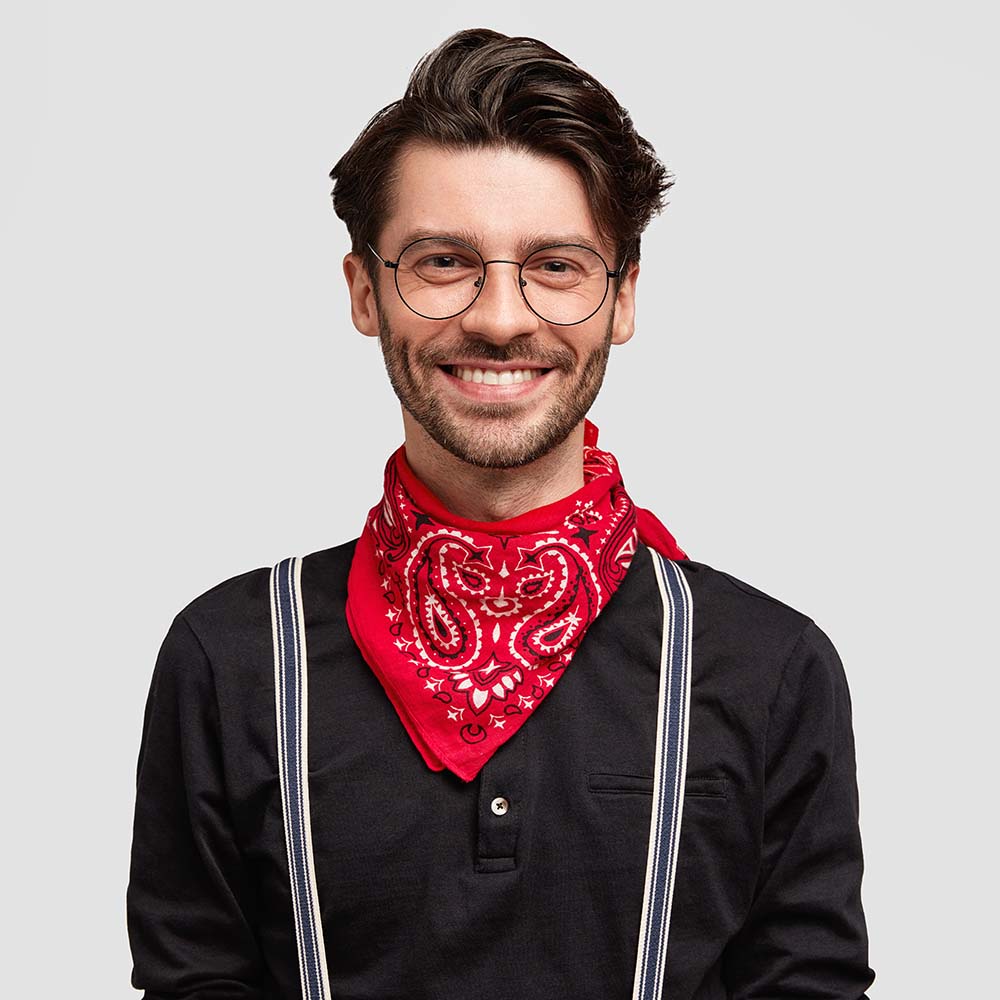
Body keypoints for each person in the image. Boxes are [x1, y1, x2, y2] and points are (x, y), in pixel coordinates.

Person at [126, 28, 875, 1000]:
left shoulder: (771, 669)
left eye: (557, 266)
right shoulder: (229, 659)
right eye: (443, 260)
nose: (500, 317)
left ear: (622, 299)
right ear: (364, 292)